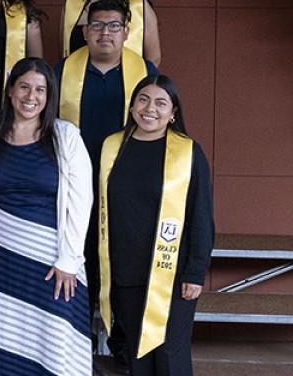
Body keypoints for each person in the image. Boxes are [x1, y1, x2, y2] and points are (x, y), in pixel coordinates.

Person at [0, 58, 93, 376]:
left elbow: (81, 201)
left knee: (54, 342)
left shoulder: (66, 136)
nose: (31, 96)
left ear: (49, 96)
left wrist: (70, 259)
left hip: (54, 264)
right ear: (10, 91)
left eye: (40, 89)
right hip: (1, 261)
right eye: (24, 86)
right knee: (9, 341)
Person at [55, 0, 158, 365]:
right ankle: (75, 346)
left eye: (114, 26)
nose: (105, 33)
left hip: (124, 187)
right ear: (84, 32)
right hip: (74, 187)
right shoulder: (62, 71)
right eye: (97, 25)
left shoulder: (144, 72)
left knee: (123, 266)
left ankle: (124, 349)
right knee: (79, 264)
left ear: (127, 32)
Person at [98, 75, 214, 375]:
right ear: (133, 105)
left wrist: (195, 272)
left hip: (172, 277)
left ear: (173, 112)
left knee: (169, 357)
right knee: (136, 356)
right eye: (143, 99)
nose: (150, 108)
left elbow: (201, 216)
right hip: (125, 273)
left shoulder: (188, 153)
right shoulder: (112, 147)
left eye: (161, 102)